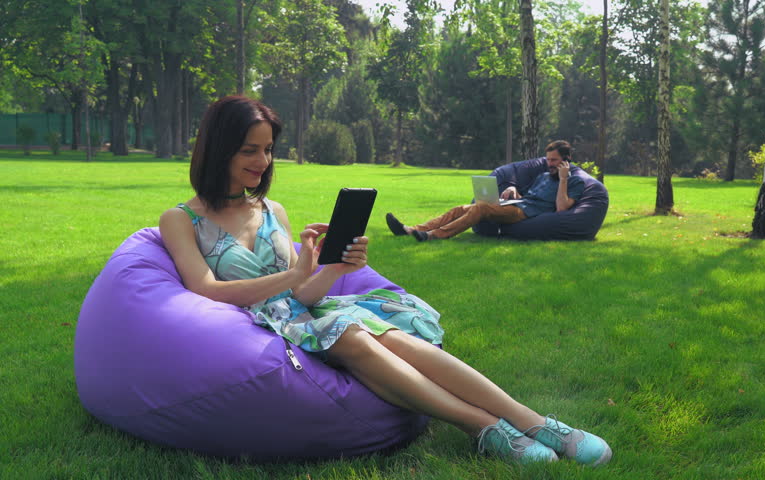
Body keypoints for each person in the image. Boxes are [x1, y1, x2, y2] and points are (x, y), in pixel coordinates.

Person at [159, 96, 612, 465]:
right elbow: (205, 290)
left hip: (305, 314)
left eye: (268, 149)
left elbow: (301, 294)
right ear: (218, 148)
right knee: (355, 336)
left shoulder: (271, 210)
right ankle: (485, 428)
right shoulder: (181, 220)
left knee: (394, 336)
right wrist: (298, 272)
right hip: (251, 329)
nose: (264, 160)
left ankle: (535, 422)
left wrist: (333, 266)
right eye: (249, 150)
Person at [385, 140, 586, 241]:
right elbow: (528, 196)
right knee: (461, 208)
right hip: (519, 204)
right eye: (548, 159)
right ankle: (412, 229)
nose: (548, 164)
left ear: (566, 160)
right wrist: (512, 191)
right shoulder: (542, 175)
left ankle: (434, 235)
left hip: (526, 214)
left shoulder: (575, 182)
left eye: (554, 160)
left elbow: (561, 209)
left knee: (480, 208)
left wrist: (562, 180)